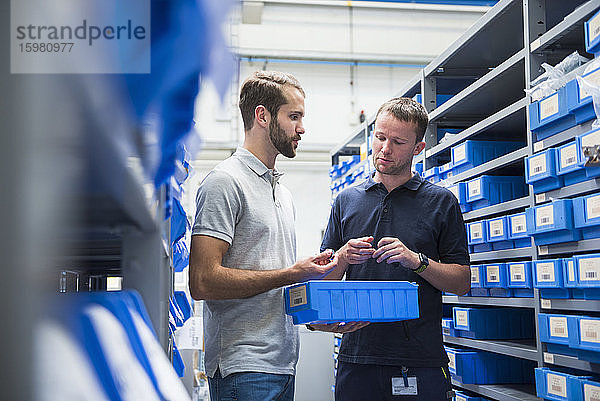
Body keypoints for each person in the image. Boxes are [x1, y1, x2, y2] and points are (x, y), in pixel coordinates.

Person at [188, 70, 340, 401]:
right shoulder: (224, 183)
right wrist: (292, 272)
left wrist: (318, 318)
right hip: (243, 369)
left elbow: (275, 286)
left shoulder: (281, 193)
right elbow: (202, 281)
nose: (302, 128)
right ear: (262, 116)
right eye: (294, 116)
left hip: (282, 364)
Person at [314, 97, 471, 401]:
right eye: (380, 137)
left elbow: (462, 282)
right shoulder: (346, 201)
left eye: (398, 142)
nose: (385, 149)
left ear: (418, 148)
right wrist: (343, 257)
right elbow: (321, 285)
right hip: (357, 361)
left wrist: (417, 261)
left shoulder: (441, 202)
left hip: (419, 362)